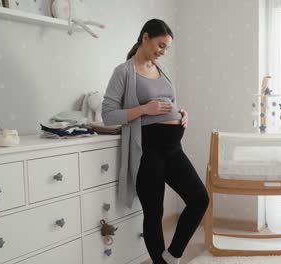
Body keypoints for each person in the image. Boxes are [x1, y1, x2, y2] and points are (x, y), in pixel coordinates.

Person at [102, 18, 209, 264]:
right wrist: (144, 109)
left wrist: (181, 113)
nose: (163, 52)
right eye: (160, 45)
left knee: (199, 198)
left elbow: (166, 103)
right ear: (145, 38)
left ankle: (173, 256)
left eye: (166, 48)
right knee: (154, 212)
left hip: (173, 149)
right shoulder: (124, 72)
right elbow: (108, 114)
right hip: (148, 150)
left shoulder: (161, 70)